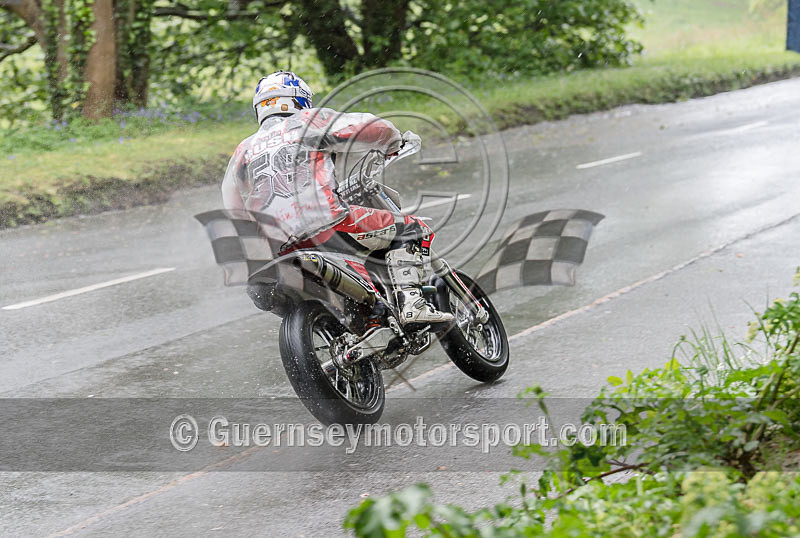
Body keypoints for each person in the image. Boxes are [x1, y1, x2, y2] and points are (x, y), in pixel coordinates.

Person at [221, 70, 453, 325]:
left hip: (277, 245)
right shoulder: (308, 121)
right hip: (326, 223)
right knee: (412, 229)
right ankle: (412, 304)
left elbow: (232, 201)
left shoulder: (244, 149)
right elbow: (369, 128)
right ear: (299, 100)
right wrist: (393, 142)